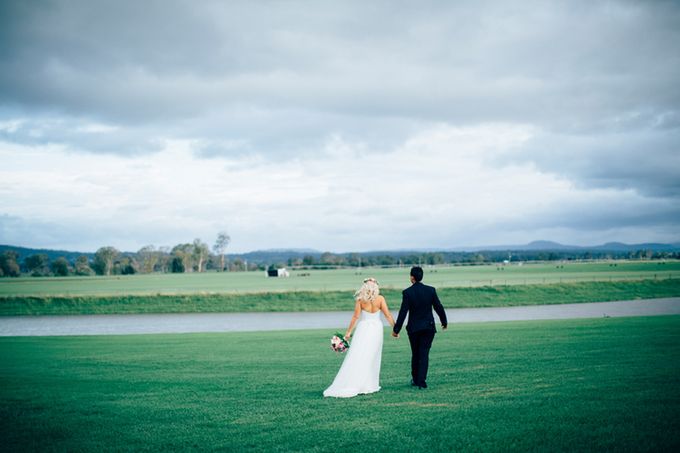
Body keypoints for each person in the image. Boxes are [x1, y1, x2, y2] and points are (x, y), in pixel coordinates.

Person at [323, 278, 396, 398]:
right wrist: (395, 329)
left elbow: (355, 317)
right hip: (376, 329)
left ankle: (360, 382)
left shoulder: (361, 300)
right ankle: (369, 385)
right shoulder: (380, 299)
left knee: (359, 354)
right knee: (372, 356)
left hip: (363, 329)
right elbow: (387, 315)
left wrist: (348, 333)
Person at [392, 266, 447, 389]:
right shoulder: (431, 290)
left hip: (414, 329)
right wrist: (444, 321)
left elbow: (403, 312)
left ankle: (416, 379)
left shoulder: (407, 292)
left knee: (415, 353)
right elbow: (438, 307)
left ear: (412, 277)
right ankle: (421, 381)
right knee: (424, 354)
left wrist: (396, 329)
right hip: (428, 327)